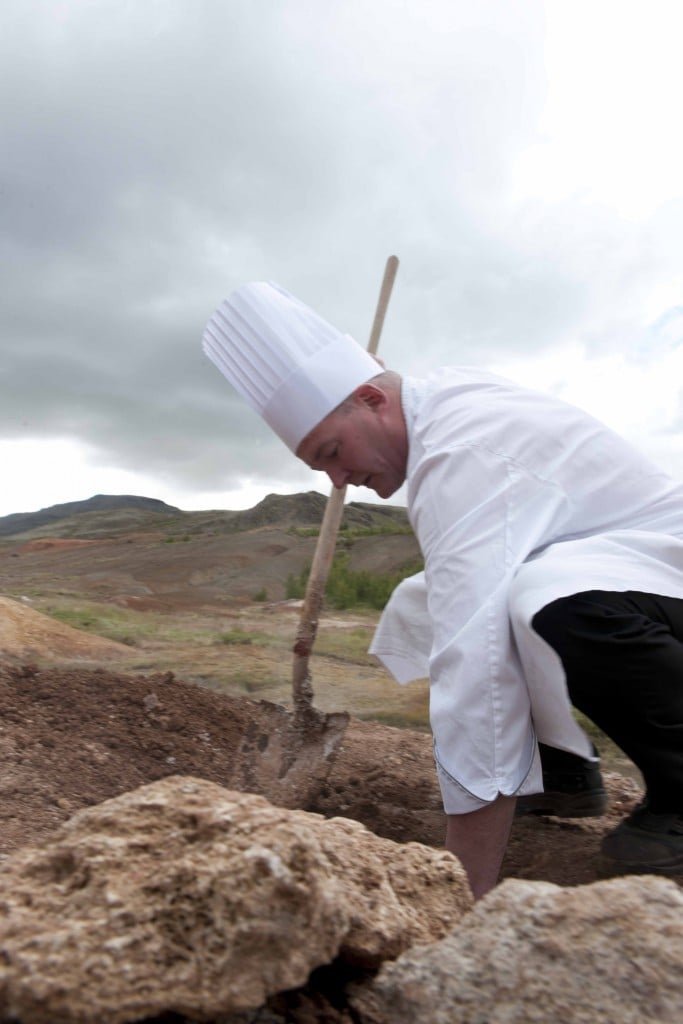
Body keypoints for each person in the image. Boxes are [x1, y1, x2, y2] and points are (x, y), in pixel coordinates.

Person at [203, 281, 683, 899]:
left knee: (543, 600)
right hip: (622, 563)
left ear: (372, 399)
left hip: (666, 574)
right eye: (322, 469)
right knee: (422, 597)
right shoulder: (440, 403)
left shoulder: (459, 450)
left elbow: (474, 663)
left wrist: (463, 889)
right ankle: (557, 772)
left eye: (332, 453)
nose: (339, 480)